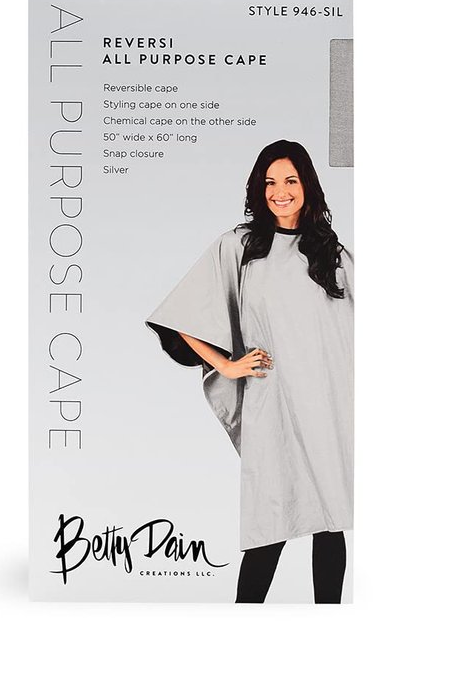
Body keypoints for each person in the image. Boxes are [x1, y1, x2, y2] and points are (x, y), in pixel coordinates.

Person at [146, 140, 353, 603]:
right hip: (272, 404)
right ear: (259, 190)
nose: (280, 192)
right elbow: (182, 312)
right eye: (270, 182)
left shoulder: (331, 254)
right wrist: (226, 363)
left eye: (290, 180)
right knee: (268, 523)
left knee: (330, 523)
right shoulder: (240, 246)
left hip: (325, 408)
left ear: (307, 185)